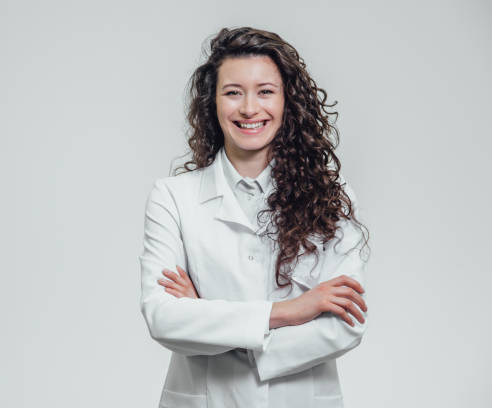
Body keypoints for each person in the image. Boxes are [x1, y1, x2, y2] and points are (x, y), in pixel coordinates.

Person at [138, 26, 371, 408]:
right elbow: (163, 318)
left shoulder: (332, 194)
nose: (249, 108)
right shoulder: (172, 197)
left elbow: (346, 324)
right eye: (233, 92)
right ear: (212, 103)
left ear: (287, 102)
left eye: (265, 91)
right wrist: (291, 311)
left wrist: (206, 321)